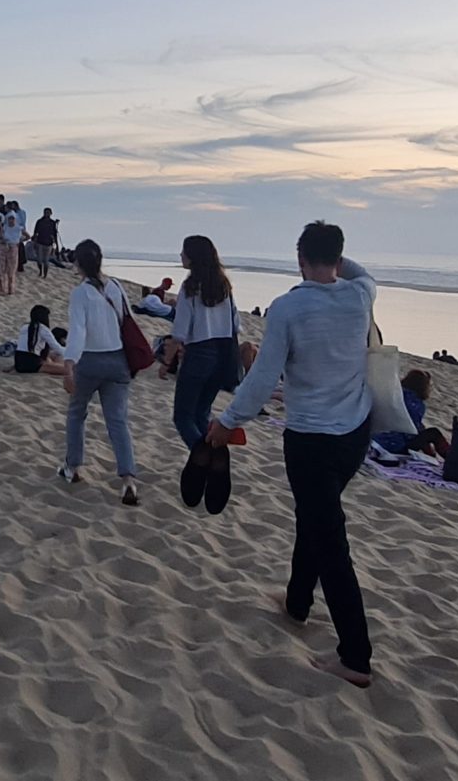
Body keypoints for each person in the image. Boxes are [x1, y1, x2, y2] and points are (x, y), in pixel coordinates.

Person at [205, 221, 380, 689]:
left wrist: (227, 422)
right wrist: (338, 259)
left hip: (312, 439)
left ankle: (356, 658)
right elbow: (360, 271)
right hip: (354, 434)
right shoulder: (360, 293)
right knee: (317, 518)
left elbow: (263, 378)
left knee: (330, 540)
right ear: (339, 259)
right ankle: (298, 601)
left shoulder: (288, 308)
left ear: (300, 258)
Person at [57, 239, 140, 508]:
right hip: (118, 360)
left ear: (78, 263)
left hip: (91, 360)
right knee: (118, 421)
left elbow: (78, 331)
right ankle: (128, 478)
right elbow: (129, 321)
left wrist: (69, 364)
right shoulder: (116, 286)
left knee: (77, 412)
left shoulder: (80, 293)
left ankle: (73, 466)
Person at [159, 236, 240, 450]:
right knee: (201, 413)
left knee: (183, 417)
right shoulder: (224, 285)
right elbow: (236, 324)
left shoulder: (191, 286)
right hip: (222, 353)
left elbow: (180, 332)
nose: (181, 255)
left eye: (184, 251)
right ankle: (212, 459)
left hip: (200, 352)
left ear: (193, 257)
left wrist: (166, 362)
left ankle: (202, 459)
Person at [0, 200, 27, 295]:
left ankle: (10, 289)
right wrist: (3, 240)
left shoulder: (18, 228)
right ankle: (1, 289)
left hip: (13, 247)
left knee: (11, 270)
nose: (11, 220)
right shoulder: (5, 227)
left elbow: (28, 236)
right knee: (2, 269)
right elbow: (1, 236)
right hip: (4, 247)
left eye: (12, 219)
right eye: (10, 219)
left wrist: (19, 240)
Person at [31, 207, 60, 278]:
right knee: (39, 260)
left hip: (49, 244)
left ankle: (45, 275)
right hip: (40, 242)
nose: (46, 214)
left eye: (48, 212)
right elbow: (35, 232)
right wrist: (34, 241)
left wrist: (56, 245)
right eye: (45, 212)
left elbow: (55, 235)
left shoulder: (52, 223)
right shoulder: (39, 221)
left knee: (46, 261)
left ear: (51, 213)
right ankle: (41, 271)